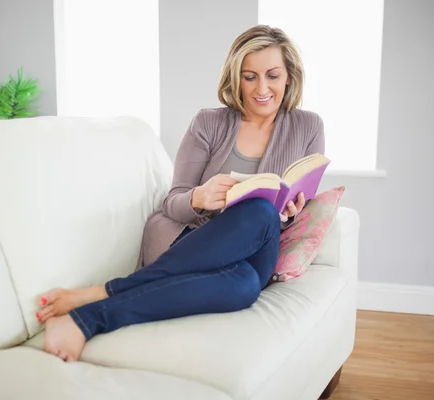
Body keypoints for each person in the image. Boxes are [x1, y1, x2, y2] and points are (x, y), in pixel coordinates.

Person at [37, 25, 325, 362]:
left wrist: (291, 213)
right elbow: (172, 203)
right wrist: (199, 198)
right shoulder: (208, 122)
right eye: (250, 77)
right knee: (244, 287)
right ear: (236, 78)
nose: (262, 88)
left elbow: (297, 204)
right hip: (193, 240)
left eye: (272, 76)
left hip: (256, 248)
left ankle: (102, 293)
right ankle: (87, 319)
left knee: (262, 213)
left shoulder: (309, 126)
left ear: (289, 77)